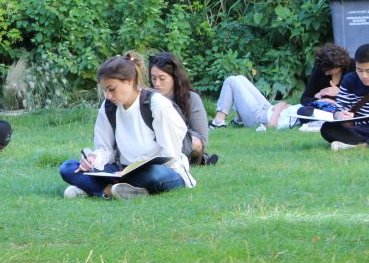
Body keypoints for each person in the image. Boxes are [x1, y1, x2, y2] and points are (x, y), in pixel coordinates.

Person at [60, 52, 195, 200]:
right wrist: (93, 158)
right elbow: (105, 149)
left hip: (162, 171)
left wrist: (133, 171)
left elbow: (170, 156)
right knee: (68, 168)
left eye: (111, 89)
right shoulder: (108, 107)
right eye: (105, 90)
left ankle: (95, 189)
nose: (108, 96)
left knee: (154, 175)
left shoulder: (157, 105)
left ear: (129, 81)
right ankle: (115, 190)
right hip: (121, 169)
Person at [148, 51, 217, 166]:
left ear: (174, 78)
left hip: (181, 142)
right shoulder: (148, 98)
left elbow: (201, 139)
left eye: (162, 78)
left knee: (195, 143)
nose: (157, 84)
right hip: (152, 144)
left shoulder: (191, 99)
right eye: (154, 78)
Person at [320, 43, 369, 150]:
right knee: (327, 128)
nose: (364, 76)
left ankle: (356, 143)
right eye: (359, 70)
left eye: (368, 71)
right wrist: (341, 116)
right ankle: (361, 142)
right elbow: (338, 110)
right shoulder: (349, 80)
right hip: (357, 128)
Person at [210, 75, 297, 130]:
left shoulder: (307, 118)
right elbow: (287, 106)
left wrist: (279, 107)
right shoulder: (308, 108)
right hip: (268, 108)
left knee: (231, 81)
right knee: (240, 78)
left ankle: (218, 123)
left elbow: (272, 126)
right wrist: (281, 106)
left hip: (261, 118)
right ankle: (240, 120)